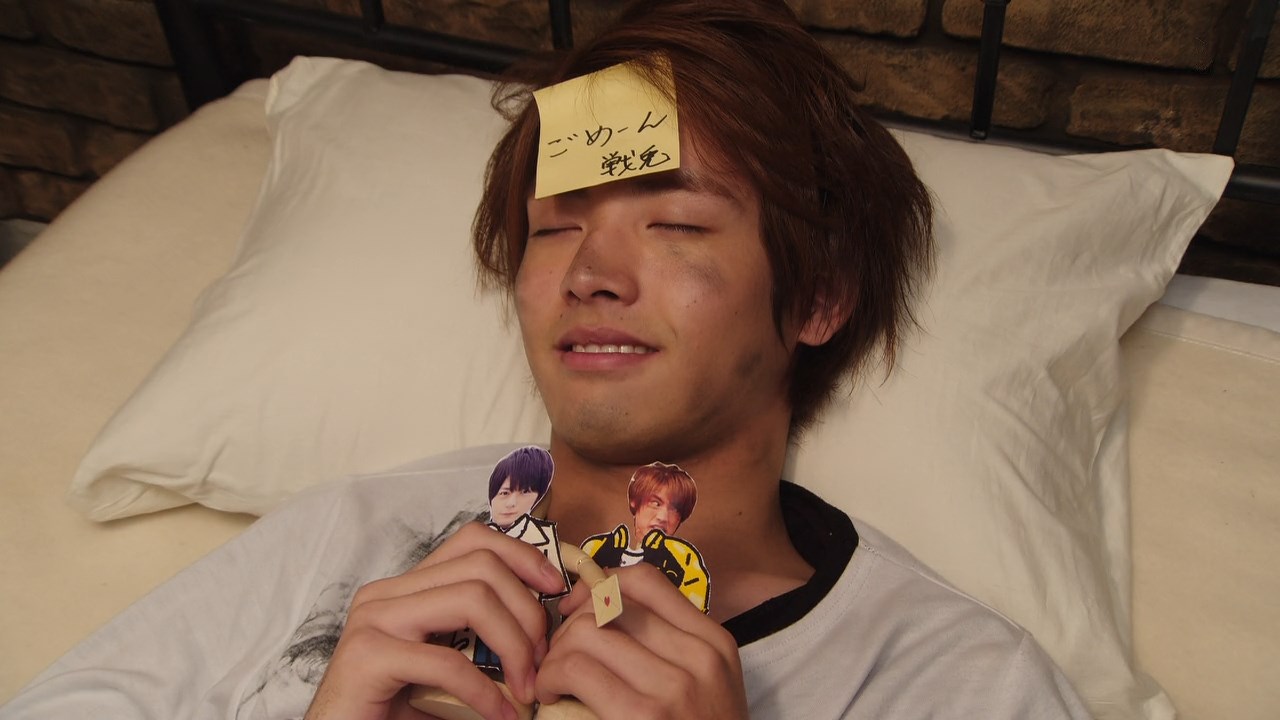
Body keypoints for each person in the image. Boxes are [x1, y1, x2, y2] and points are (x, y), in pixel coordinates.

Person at [1, 2, 1091, 719]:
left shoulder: (952, 682)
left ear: (816, 297)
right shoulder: (353, 536)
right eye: (555, 228)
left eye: (674, 225)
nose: (591, 274)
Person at [581, 462, 711, 612]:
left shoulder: (685, 559)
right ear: (634, 502)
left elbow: (695, 614)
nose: (663, 517)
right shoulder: (598, 547)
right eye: (656, 503)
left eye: (675, 509)